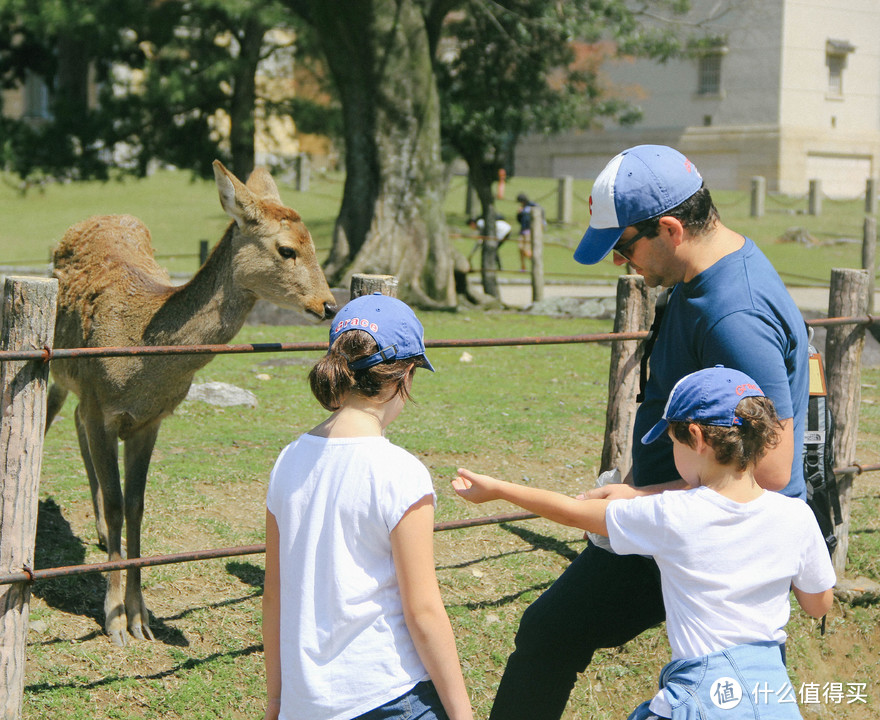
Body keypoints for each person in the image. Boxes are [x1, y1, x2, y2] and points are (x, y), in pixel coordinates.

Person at [487, 145, 812, 719]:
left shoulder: (734, 314)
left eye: (622, 245)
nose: (619, 261)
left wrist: (641, 500)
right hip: (687, 511)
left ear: (669, 228)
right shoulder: (700, 279)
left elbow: (770, 468)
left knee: (550, 633)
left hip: (712, 530)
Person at [453, 366, 836, 719]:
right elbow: (818, 605)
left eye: (674, 442)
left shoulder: (674, 515)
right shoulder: (796, 516)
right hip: (771, 699)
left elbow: (572, 513)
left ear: (698, 438)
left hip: (700, 701)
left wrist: (500, 489)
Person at [263, 292, 473, 720]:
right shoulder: (400, 471)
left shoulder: (288, 460)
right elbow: (423, 611)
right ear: (405, 375)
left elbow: (274, 595)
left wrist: (276, 700)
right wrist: (462, 713)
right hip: (389, 695)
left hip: (306, 704)